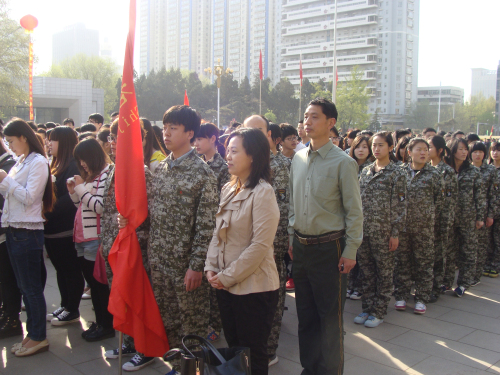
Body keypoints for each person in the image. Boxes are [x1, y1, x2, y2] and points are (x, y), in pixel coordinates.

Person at [288, 98, 363, 374]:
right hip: (302, 247)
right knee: (305, 317)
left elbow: (354, 212)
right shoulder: (297, 158)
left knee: (330, 320)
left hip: (330, 248)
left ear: (331, 123)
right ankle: (310, 368)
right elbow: (293, 204)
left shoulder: (343, 163)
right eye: (306, 116)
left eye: (315, 117)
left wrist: (351, 249)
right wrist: (290, 234)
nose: (307, 121)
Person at [146, 105, 218, 375]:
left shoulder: (203, 175)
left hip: (185, 266)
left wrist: (196, 265)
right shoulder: (162, 168)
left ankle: (193, 371)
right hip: (161, 262)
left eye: (172, 128)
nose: (165, 133)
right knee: (170, 322)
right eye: (164, 127)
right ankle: (178, 368)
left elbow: (206, 227)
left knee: (193, 328)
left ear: (189, 133)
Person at [205, 128, 280, 375]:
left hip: (254, 288)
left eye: (234, 151)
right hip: (226, 286)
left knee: (252, 352)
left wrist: (226, 277)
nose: (228, 156)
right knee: (235, 349)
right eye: (227, 150)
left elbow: (259, 246)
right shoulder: (229, 187)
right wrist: (210, 267)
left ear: (253, 156)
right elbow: (218, 234)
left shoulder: (263, 192)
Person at [103, 120, 156, 371]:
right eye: (112, 138)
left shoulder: (141, 171)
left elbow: (151, 213)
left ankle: (145, 349)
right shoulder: (116, 168)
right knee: (123, 296)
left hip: (136, 247)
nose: (114, 143)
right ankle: (130, 343)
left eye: (119, 138)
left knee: (137, 299)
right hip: (116, 245)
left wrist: (132, 221)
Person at [0, 118, 53, 357]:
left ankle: (38, 336)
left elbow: (31, 197)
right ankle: (32, 334)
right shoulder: (21, 161)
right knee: (23, 286)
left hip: (27, 232)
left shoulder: (38, 162)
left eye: (11, 141)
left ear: (23, 137)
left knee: (31, 288)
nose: (10, 146)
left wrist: (5, 181)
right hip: (13, 229)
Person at [243, 115, 290, 366]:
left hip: (275, 242)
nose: (253, 134)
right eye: (248, 129)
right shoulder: (241, 162)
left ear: (269, 134)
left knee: (272, 294)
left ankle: (268, 348)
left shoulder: (282, 164)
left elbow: (288, 205)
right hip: (243, 243)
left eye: (259, 130)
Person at [354, 131, 406, 328]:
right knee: (366, 272)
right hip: (364, 231)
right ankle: (367, 308)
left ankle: (379, 311)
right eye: (373, 145)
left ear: (391, 148)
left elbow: (401, 205)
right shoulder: (366, 171)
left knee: (384, 273)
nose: (376, 149)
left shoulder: (397, 173)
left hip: (384, 233)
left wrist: (395, 233)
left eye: (380, 145)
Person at [68, 138, 115, 341]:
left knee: (98, 284)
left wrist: (80, 189)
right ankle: (101, 321)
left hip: (95, 238)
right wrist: (74, 192)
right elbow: (83, 205)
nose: (83, 164)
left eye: (84, 159)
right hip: (83, 237)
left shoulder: (106, 174)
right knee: (93, 283)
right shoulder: (92, 175)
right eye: (79, 160)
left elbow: (100, 207)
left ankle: (106, 325)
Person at [394, 138, 443, 315]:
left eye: (426, 149)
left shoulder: (434, 174)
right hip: (402, 228)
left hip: (424, 228)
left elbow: (439, 201)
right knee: (402, 263)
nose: (423, 153)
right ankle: (401, 295)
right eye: (419, 149)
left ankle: (422, 298)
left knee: (424, 263)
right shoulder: (399, 172)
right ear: (409, 152)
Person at [44, 127, 85, 326]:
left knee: (70, 269)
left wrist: (47, 210)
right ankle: (64, 304)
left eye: (53, 140)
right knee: (60, 269)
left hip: (65, 227)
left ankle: (73, 308)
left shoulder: (73, 165)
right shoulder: (55, 163)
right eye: (48, 140)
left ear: (65, 142)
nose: (49, 143)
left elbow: (70, 199)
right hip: (52, 228)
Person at [443, 138, 485, 297]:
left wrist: (480, 217)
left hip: (468, 216)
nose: (464, 152)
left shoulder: (473, 171)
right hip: (449, 216)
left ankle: (463, 283)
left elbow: (479, 197)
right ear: (453, 150)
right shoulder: (446, 170)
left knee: (468, 250)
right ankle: (446, 282)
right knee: (448, 250)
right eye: (460, 149)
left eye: (465, 149)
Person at [428, 136, 458, 303]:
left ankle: (436, 287)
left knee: (438, 254)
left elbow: (451, 200)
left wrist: (446, 222)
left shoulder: (447, 172)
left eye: (430, 147)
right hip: (424, 221)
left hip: (441, 220)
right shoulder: (422, 169)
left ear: (440, 150)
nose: (426, 151)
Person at [469, 141, 499, 285]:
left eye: (481, 152)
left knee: (481, 245)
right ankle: (468, 273)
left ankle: (476, 274)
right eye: (475, 152)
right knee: (469, 245)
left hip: (484, 211)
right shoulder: (466, 169)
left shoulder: (490, 171)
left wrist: (490, 214)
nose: (478, 154)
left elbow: (493, 194)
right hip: (467, 212)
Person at [0, 141, 20, 338]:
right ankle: (7, 313)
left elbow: (25, 197)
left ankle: (12, 318)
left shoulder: (9, 164)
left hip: (9, 229)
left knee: (8, 279)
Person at [194, 122, 230, 195]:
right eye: (195, 140)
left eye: (199, 139)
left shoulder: (224, 168)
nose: (196, 144)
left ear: (212, 139)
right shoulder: (194, 164)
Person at [486, 141, 500, 277]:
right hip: (489, 209)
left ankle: (496, 265)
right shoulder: (488, 169)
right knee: (488, 239)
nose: (495, 153)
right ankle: (487, 263)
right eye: (493, 150)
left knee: (498, 238)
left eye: (498, 150)